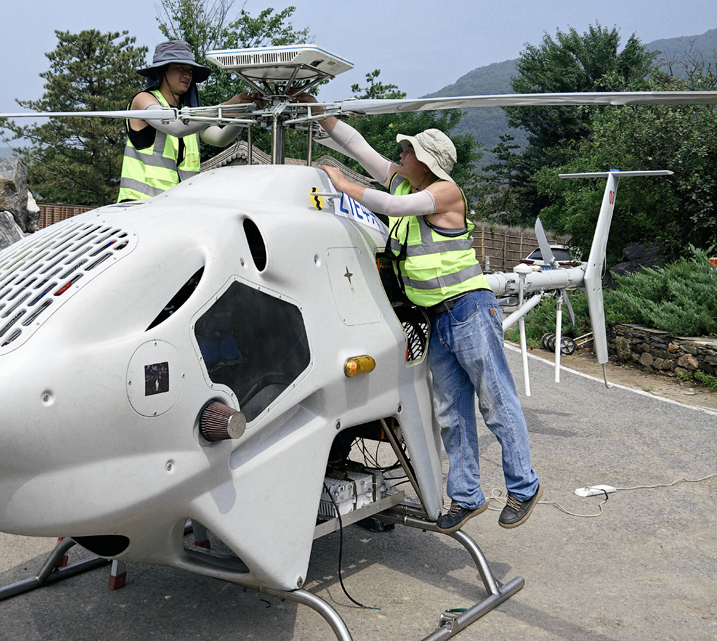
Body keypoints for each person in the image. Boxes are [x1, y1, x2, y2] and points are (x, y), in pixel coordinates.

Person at [296, 93, 542, 533]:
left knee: (495, 400)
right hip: (436, 318)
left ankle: (524, 486)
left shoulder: (444, 192)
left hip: (469, 309)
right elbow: (359, 147)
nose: (400, 154)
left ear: (426, 161)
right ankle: (467, 497)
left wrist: (342, 184)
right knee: (450, 412)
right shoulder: (404, 182)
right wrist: (323, 114)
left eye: (408, 150)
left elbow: (391, 208)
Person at [118, 40, 257, 202]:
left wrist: (243, 112)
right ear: (162, 71)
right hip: (138, 206)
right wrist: (225, 107)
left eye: (190, 70)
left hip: (176, 206)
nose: (187, 75)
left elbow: (220, 138)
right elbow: (176, 127)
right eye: (180, 68)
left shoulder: (189, 111)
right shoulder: (143, 100)